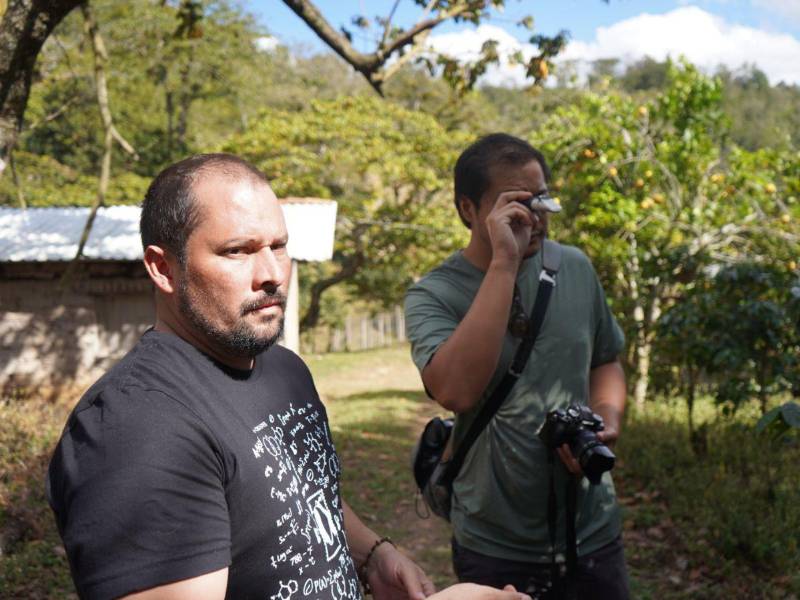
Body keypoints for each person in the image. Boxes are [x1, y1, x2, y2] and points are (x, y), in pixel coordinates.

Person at [47, 153, 532, 600]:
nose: (272, 273)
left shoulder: (283, 368)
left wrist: (371, 553)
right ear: (163, 268)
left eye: (279, 246)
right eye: (237, 251)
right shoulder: (137, 428)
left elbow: (296, 495)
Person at [404, 134, 630, 599]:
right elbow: (455, 392)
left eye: (541, 199)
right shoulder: (435, 295)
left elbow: (606, 360)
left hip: (592, 533)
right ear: (469, 209)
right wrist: (504, 263)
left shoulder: (575, 268)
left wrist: (607, 417)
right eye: (517, 204)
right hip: (495, 545)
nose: (536, 217)